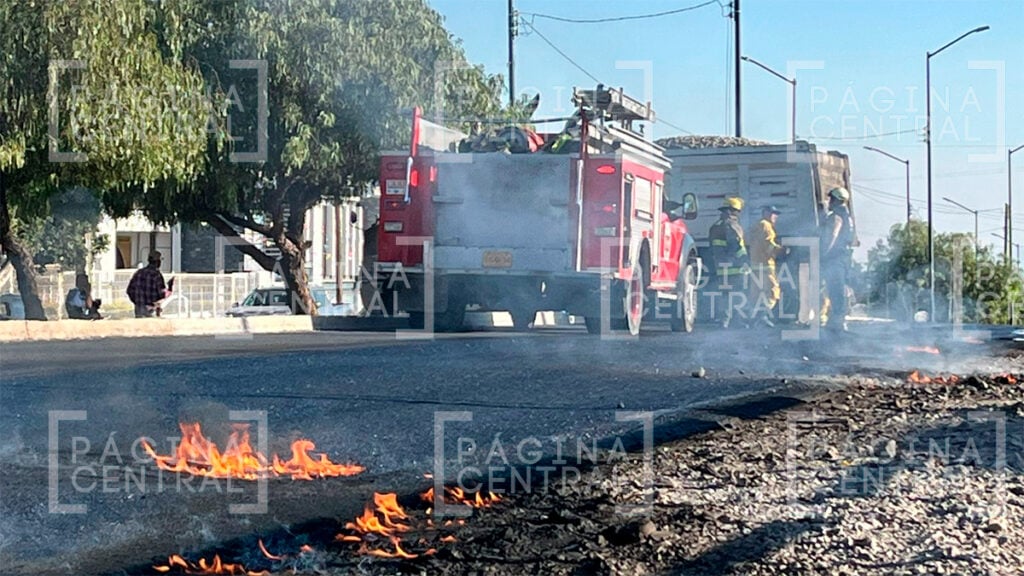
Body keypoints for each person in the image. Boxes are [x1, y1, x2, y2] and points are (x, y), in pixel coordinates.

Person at [708, 196, 749, 328]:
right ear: (732, 211)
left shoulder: (715, 226)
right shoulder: (732, 226)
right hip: (735, 266)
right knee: (737, 295)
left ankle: (723, 320)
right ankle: (737, 321)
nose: (738, 214)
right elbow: (737, 245)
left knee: (725, 295)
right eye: (737, 211)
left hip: (721, 267)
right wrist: (744, 260)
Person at [821, 187, 855, 334]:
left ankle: (837, 323)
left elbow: (832, 236)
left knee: (835, 290)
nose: (830, 202)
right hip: (844, 258)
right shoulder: (847, 216)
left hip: (834, 259)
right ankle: (838, 321)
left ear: (837, 200)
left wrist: (824, 254)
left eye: (831, 199)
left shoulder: (836, 217)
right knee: (840, 289)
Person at [747, 205, 785, 327]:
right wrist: (782, 250)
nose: (776, 217)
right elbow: (768, 244)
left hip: (755, 264)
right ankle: (762, 316)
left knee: (757, 293)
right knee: (772, 291)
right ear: (766, 213)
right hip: (766, 265)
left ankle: (754, 319)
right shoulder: (766, 226)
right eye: (774, 213)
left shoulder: (757, 225)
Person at [127, 250, 172, 318]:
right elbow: (162, 294)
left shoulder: (139, 273)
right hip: (151, 310)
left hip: (138, 309)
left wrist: (138, 303)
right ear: (157, 261)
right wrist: (170, 288)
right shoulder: (156, 275)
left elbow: (129, 290)